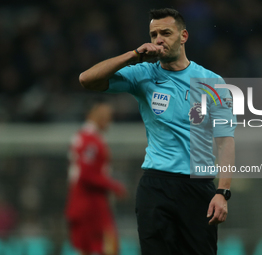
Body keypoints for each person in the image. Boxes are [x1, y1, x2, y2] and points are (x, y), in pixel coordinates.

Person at [79, 8, 236, 255]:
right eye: (153, 34)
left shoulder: (213, 82)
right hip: (156, 185)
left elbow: (225, 141)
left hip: (198, 188)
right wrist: (132, 56)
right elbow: (87, 79)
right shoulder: (144, 74)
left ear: (183, 36)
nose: (158, 39)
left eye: (165, 33)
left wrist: (223, 192)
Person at [65, 101, 127, 255]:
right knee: (107, 248)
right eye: (107, 116)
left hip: (84, 204)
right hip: (90, 205)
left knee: (89, 250)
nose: (110, 121)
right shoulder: (90, 140)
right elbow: (87, 174)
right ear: (95, 116)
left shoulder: (84, 137)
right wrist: (114, 186)